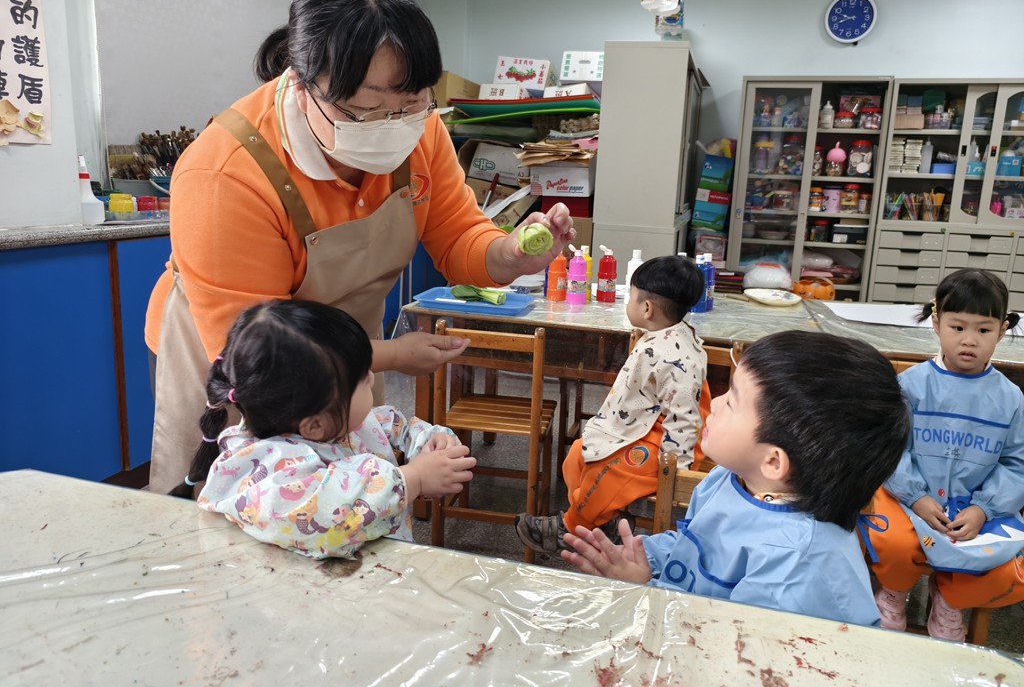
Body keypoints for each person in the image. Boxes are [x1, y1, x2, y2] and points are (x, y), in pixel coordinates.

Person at [145, 0, 574, 494]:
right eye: (364, 110)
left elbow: (459, 233)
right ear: (301, 85)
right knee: (247, 506)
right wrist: (390, 354)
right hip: (246, 361)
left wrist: (507, 255)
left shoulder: (419, 132)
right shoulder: (226, 173)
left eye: (412, 103)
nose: (393, 127)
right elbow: (262, 351)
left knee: (350, 496)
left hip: (349, 353)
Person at [560, 331, 910, 628]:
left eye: (732, 401)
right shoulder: (731, 479)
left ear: (773, 461)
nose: (715, 403)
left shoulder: (792, 564)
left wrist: (646, 592)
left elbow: (726, 646)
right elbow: (693, 546)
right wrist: (641, 556)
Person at [170, 299, 477, 560]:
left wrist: (433, 443)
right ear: (315, 424)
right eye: (362, 379)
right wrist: (414, 478)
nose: (372, 377)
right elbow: (329, 512)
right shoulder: (267, 468)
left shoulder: (346, 422)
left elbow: (399, 426)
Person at [867, 269, 1024, 642]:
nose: (969, 340)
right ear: (936, 323)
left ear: (1002, 331)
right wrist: (916, 497)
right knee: (892, 540)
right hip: (908, 498)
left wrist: (984, 508)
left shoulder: (1011, 398)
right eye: (957, 327)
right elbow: (890, 448)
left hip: (977, 508)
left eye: (983, 330)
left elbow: (1017, 464)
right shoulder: (910, 385)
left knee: (1011, 566)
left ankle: (951, 600)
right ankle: (894, 593)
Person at [515, 255, 707, 555]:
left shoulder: (677, 357)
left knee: (607, 472)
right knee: (577, 455)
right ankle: (606, 523)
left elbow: (684, 421)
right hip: (640, 425)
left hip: (666, 443)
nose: (628, 302)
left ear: (647, 308)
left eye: (630, 296)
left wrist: (675, 472)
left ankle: (571, 529)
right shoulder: (660, 335)